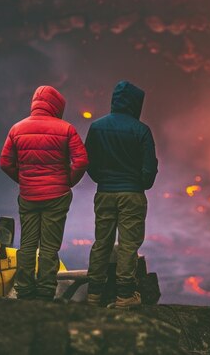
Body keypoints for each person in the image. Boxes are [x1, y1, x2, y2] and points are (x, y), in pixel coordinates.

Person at [0, 85, 88, 301]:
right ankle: (46, 289)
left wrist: (24, 180)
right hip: (57, 196)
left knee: (28, 243)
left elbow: (4, 162)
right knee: (49, 245)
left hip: (29, 195)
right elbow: (82, 161)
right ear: (57, 106)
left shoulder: (16, 129)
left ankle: (24, 288)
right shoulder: (66, 129)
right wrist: (67, 183)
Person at [85, 80, 158, 308]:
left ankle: (94, 294)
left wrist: (103, 180)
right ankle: (125, 295)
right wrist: (140, 183)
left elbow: (89, 161)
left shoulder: (97, 127)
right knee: (128, 244)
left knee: (101, 242)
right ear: (136, 104)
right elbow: (148, 170)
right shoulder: (141, 130)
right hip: (132, 194)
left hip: (105, 192)